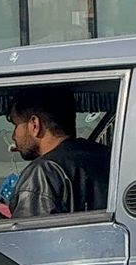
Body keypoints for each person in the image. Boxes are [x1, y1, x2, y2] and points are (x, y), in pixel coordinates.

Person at [7, 86, 112, 218]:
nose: (14, 136)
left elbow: (28, 230)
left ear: (35, 124)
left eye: (16, 125)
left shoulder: (43, 173)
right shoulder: (107, 156)